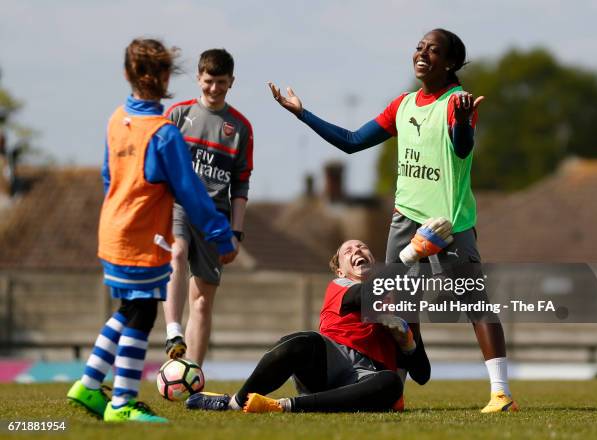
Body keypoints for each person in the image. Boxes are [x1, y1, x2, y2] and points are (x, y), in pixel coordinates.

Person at [268, 28, 518, 413]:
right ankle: (396, 392)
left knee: (474, 303)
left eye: (433, 50)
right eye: (419, 47)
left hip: (448, 223)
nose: (422, 53)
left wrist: (466, 123)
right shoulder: (403, 105)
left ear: (450, 62)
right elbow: (352, 141)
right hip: (405, 221)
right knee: (398, 306)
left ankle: (501, 393)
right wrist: (302, 113)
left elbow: (462, 147)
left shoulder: (458, 102)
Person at [66, 38, 237, 423]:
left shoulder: (116, 119)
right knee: (141, 314)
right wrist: (221, 235)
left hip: (111, 229)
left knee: (130, 309)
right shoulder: (163, 134)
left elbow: (107, 175)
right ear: (165, 77)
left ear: (127, 74)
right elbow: (191, 193)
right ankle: (122, 401)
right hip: (142, 237)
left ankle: (89, 386)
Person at [185, 220, 453, 413]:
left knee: (391, 382)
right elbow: (365, 296)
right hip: (327, 366)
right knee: (300, 341)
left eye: (362, 247)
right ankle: (234, 402)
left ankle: (283, 406)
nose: (357, 251)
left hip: (364, 379)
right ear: (340, 271)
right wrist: (410, 255)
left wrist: (407, 342)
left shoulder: (398, 304)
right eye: (348, 251)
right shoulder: (341, 287)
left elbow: (423, 374)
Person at [162, 49, 254, 367]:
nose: (214, 89)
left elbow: (241, 184)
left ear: (232, 82)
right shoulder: (176, 115)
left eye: (222, 83)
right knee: (175, 252)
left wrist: (236, 231)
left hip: (215, 219)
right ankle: (173, 331)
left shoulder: (240, 127)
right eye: (209, 82)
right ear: (198, 78)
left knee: (201, 304)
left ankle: (191, 375)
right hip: (178, 206)